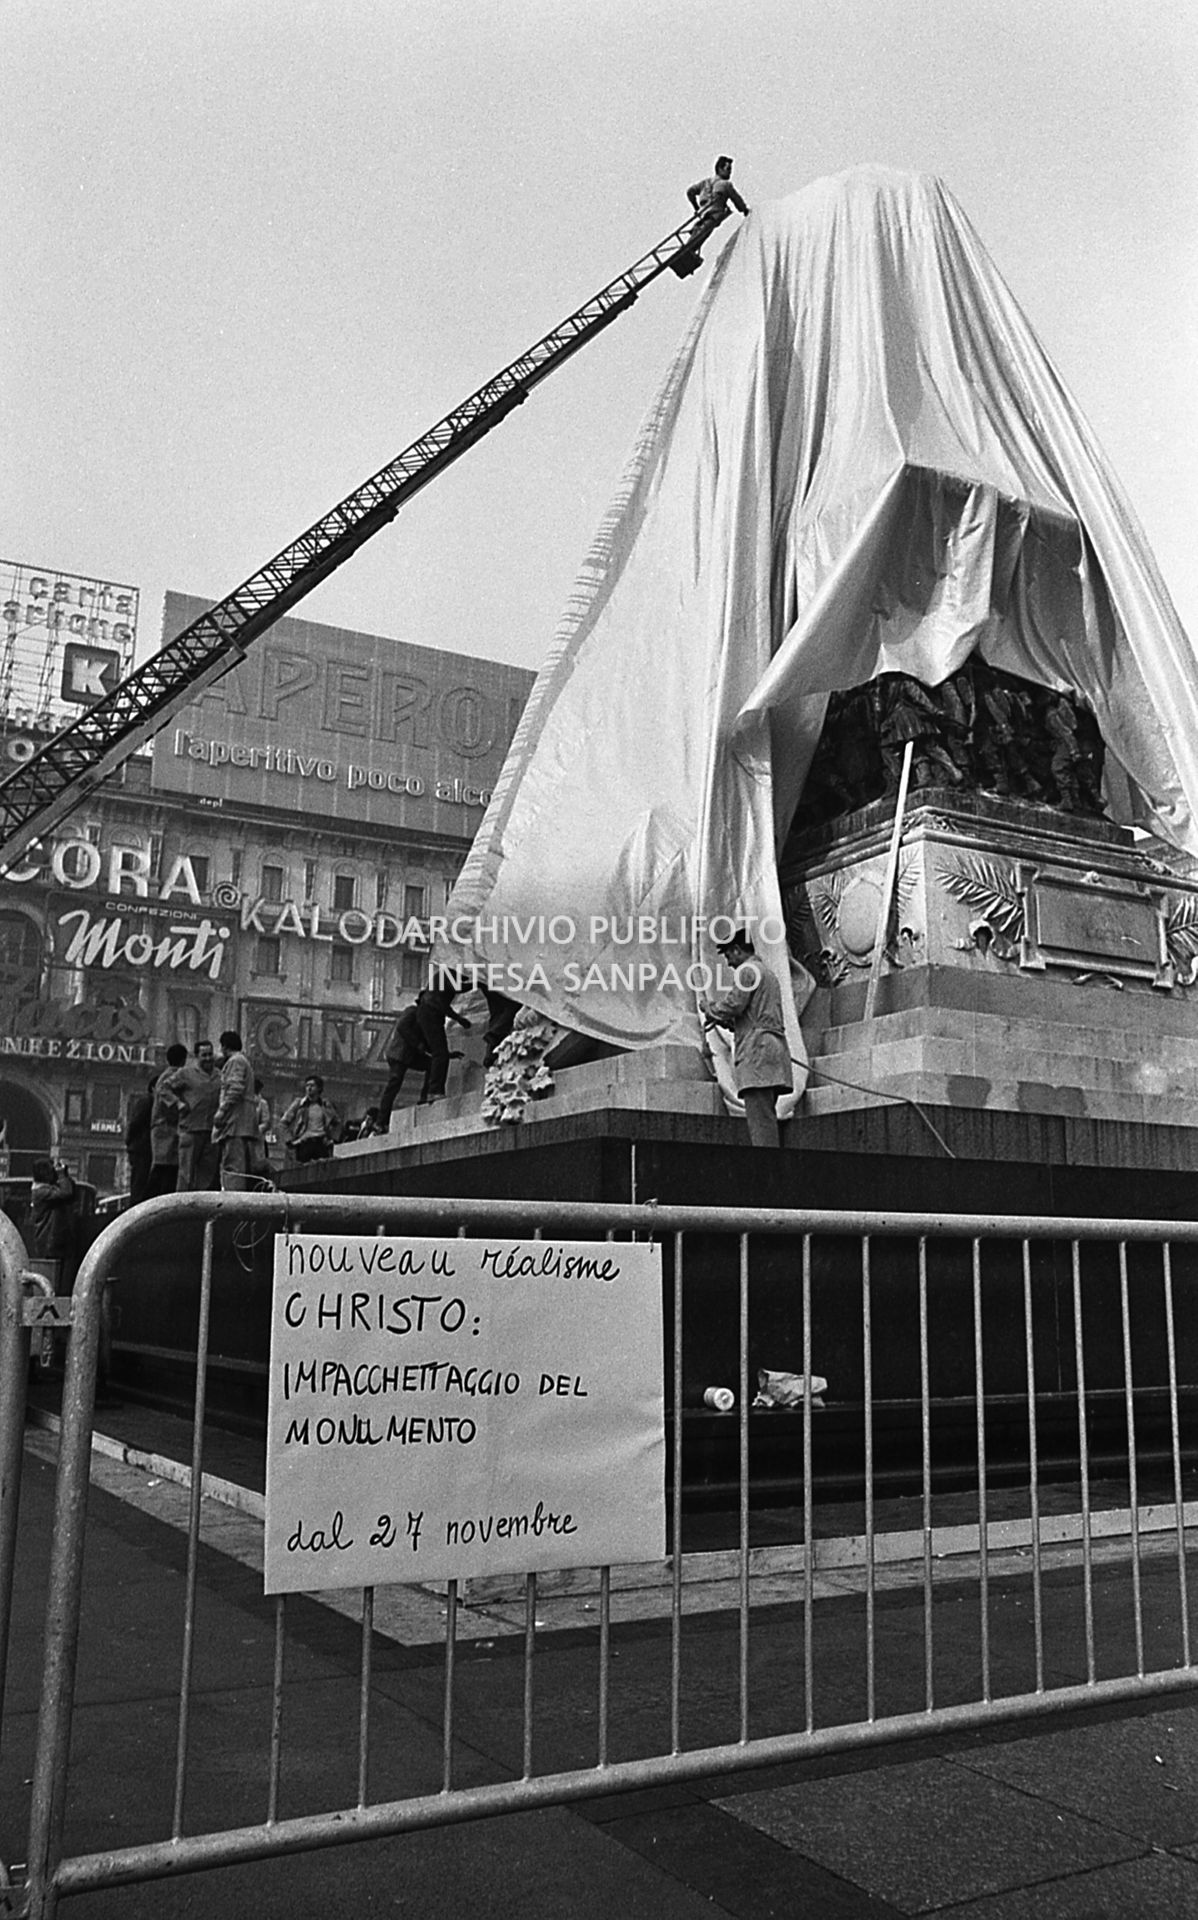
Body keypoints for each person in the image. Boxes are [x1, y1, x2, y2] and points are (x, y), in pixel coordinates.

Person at [700, 928, 791, 1148]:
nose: (729, 963)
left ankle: (766, 1168)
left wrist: (709, 1008)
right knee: (766, 1115)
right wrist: (725, 1021)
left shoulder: (747, 971)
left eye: (729, 955)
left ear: (738, 950)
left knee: (760, 1124)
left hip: (756, 1053)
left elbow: (733, 1004)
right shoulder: (767, 974)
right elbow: (749, 1016)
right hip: (773, 1050)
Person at [165, 1039, 222, 1192]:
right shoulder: (185, 1073)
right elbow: (164, 1088)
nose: (208, 1058)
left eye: (210, 1054)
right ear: (197, 1056)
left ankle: (199, 1210)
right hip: (190, 1130)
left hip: (211, 1132)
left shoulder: (220, 1076)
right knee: (186, 1173)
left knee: (207, 1173)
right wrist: (178, 1104)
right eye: (204, 1055)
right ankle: (181, 1208)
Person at [211, 1030, 261, 1190]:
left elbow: (235, 1089)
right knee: (235, 1163)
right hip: (241, 1122)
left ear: (224, 1046)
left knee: (233, 1165)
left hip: (235, 1122)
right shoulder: (243, 1061)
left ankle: (233, 1201)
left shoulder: (235, 1061)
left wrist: (222, 1111)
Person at [414, 976, 472, 1103]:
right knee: (440, 1055)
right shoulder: (447, 975)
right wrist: (481, 981)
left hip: (429, 1014)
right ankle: (434, 1091)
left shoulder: (442, 977)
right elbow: (457, 990)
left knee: (440, 1055)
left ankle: (429, 1093)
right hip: (430, 1015)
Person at [376, 1004, 431, 1128]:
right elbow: (402, 1027)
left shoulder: (424, 1017)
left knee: (431, 1065)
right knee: (393, 1085)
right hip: (398, 1055)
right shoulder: (412, 1011)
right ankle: (381, 1121)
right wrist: (417, 1044)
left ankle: (424, 1099)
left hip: (408, 1056)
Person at [29, 1156, 79, 1279]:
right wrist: (61, 1175)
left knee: (59, 1276)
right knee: (51, 1277)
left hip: (54, 1240)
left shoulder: (47, 1189)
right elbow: (66, 1193)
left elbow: (71, 1194)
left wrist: (64, 1175)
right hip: (48, 1241)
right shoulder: (40, 1191)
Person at [146, 1044, 187, 1197]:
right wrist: (180, 1105)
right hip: (167, 1128)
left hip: (161, 1128)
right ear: (184, 1060)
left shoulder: (164, 1074)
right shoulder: (175, 1075)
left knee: (162, 1167)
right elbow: (165, 1093)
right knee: (165, 1169)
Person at [280, 1074, 342, 1164]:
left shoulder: (325, 1105)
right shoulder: (299, 1104)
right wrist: (290, 1141)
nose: (309, 1088)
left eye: (312, 1086)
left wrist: (333, 1140)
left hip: (321, 1143)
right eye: (307, 1086)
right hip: (304, 1143)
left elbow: (337, 1123)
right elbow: (283, 1123)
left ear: (319, 1088)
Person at [687, 155, 749, 226]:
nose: (730, 172)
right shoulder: (726, 185)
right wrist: (745, 210)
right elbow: (737, 199)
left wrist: (697, 208)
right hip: (715, 215)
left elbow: (690, 192)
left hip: (703, 214)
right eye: (728, 169)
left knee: (698, 230)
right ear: (720, 169)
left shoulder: (705, 183)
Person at [124, 1078, 155, 1205]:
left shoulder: (150, 1101)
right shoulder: (148, 1101)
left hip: (142, 1149)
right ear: (153, 1087)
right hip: (142, 1149)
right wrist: (130, 1142)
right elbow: (135, 1123)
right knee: (139, 1182)